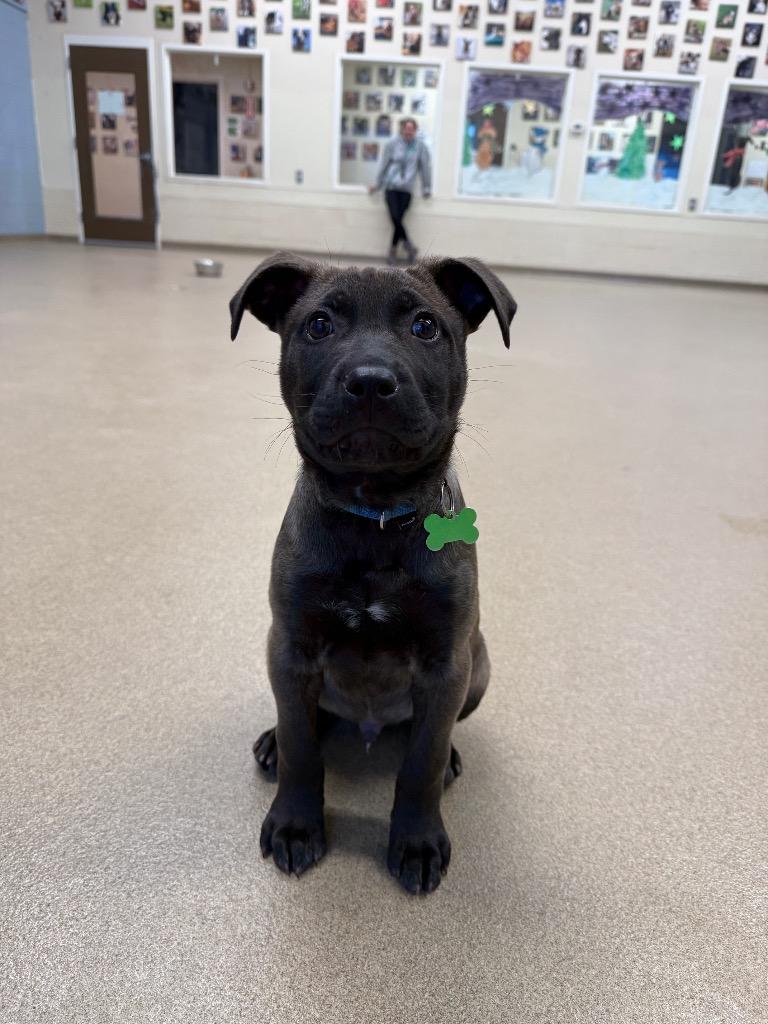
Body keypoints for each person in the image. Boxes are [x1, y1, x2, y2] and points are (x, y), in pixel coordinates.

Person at [369, 117, 432, 264]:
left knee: (398, 221)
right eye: (406, 128)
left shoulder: (421, 146)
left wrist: (426, 187)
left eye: (412, 129)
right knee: (395, 218)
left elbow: (425, 169)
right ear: (402, 129)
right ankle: (409, 246)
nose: (409, 131)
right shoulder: (392, 144)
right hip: (391, 188)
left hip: (406, 190)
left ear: (415, 130)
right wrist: (377, 184)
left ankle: (393, 251)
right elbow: (384, 165)